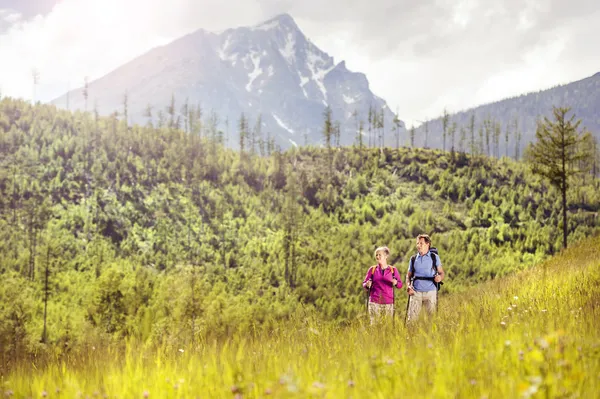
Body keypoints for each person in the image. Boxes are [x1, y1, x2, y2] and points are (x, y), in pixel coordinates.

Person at [405, 234, 445, 324]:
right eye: (417, 243)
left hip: (431, 292)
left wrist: (440, 278)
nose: (418, 245)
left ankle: (431, 337)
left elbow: (442, 273)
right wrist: (408, 286)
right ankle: (410, 337)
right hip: (416, 292)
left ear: (428, 244)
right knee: (411, 320)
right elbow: (408, 276)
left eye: (421, 243)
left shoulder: (434, 257)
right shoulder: (413, 259)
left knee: (432, 320)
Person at [362, 246, 403, 324]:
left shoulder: (393, 270)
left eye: (379, 254)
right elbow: (364, 284)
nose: (377, 256)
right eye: (376, 255)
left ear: (386, 256)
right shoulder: (372, 269)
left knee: (387, 326)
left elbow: (400, 285)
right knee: (374, 325)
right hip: (374, 302)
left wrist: (396, 283)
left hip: (388, 302)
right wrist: (367, 284)